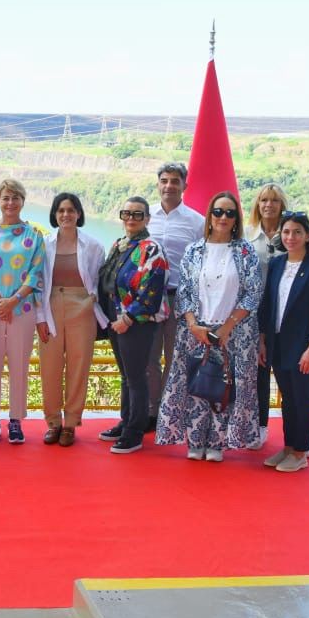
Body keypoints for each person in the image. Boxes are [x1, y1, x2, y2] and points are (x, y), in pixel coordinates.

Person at [156, 190, 263, 462]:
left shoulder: (245, 250)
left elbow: (252, 293)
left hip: (234, 334)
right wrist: (193, 324)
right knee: (196, 383)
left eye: (229, 212)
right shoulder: (194, 250)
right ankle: (195, 439)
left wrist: (227, 327)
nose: (223, 217)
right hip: (196, 332)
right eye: (218, 212)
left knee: (224, 387)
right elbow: (185, 291)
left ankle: (217, 442)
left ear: (236, 218)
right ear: (209, 216)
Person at [258, 210, 309, 473]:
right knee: (287, 398)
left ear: (308, 236)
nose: (291, 237)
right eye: (287, 232)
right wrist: (262, 340)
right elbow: (268, 304)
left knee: (302, 397)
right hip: (278, 343)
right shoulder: (278, 264)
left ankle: (301, 451)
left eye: (297, 232)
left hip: (304, 347)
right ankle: (289, 447)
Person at [0, 178, 46, 445]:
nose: (10, 203)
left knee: (19, 365)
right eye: (5, 198)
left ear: (23, 201)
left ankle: (16, 420)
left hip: (22, 308)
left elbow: (36, 273)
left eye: (15, 198)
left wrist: (13, 300)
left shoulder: (34, 235)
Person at [96, 197, 169, 455]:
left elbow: (152, 290)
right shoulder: (119, 245)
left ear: (147, 219)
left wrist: (128, 318)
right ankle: (126, 421)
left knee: (136, 377)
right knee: (126, 376)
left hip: (137, 323)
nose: (131, 218)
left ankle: (135, 431)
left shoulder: (152, 249)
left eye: (137, 214)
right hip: (117, 320)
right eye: (126, 213)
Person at [35, 193, 107, 446]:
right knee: (50, 367)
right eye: (61, 210)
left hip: (82, 307)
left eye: (71, 210)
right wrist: (40, 318)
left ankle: (71, 423)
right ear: (54, 215)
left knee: (79, 366)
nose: (66, 215)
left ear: (79, 214)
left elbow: (100, 281)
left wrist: (91, 301)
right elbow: (39, 284)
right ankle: (53, 422)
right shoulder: (44, 244)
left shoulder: (94, 246)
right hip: (51, 304)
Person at [146, 162, 205, 430]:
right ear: (158, 183)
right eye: (164, 180)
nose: (169, 186)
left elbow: (203, 264)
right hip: (148, 300)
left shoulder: (197, 221)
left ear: (184, 186)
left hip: (180, 300)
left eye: (175, 181)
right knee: (149, 359)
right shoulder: (146, 217)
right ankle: (151, 412)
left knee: (176, 359)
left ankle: (172, 412)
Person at [246, 183, 289, 446]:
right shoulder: (249, 237)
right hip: (255, 315)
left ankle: (298, 435)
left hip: (285, 315)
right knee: (258, 375)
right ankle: (259, 426)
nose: (268, 205)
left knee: (288, 376)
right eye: (263, 200)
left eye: (274, 200)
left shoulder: (291, 234)